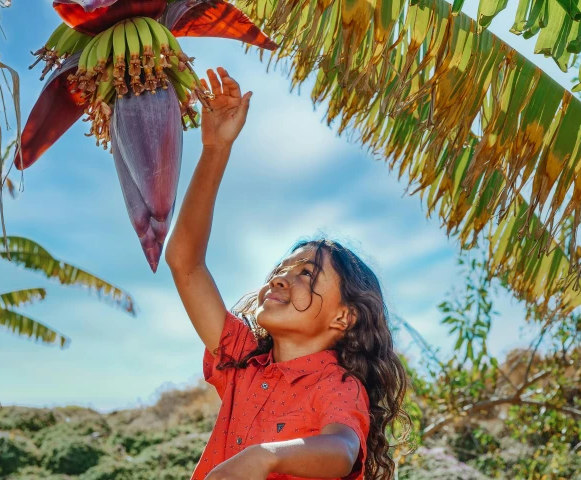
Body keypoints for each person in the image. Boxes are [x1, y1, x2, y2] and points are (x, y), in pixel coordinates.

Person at [165, 67, 410, 480]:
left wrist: (266, 456)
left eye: (307, 275)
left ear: (343, 317)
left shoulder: (337, 385)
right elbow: (184, 261)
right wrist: (214, 148)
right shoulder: (241, 361)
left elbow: (342, 449)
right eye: (281, 270)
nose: (280, 279)